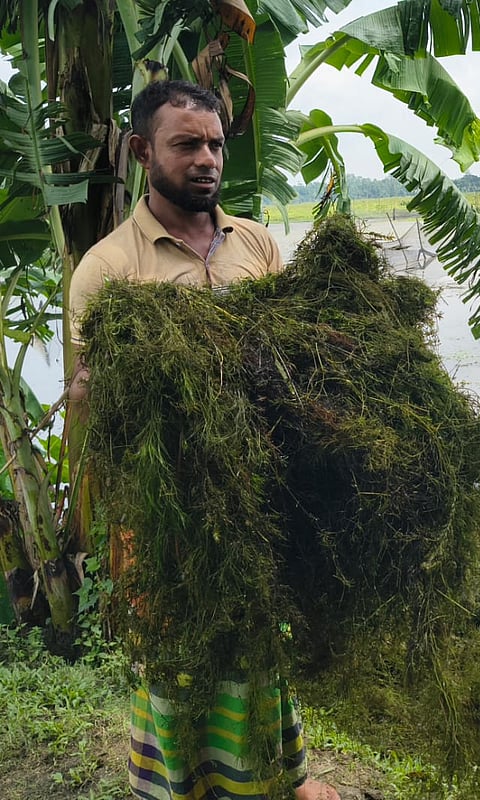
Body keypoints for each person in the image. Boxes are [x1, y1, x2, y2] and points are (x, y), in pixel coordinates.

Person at [68, 79, 339, 800]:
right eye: (186, 144)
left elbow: (292, 359)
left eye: (215, 143)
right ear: (140, 151)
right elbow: (101, 405)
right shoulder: (109, 270)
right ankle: (175, 786)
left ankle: (286, 776)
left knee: (259, 645)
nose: (206, 158)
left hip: (254, 498)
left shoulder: (255, 242)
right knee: (178, 661)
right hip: (165, 511)